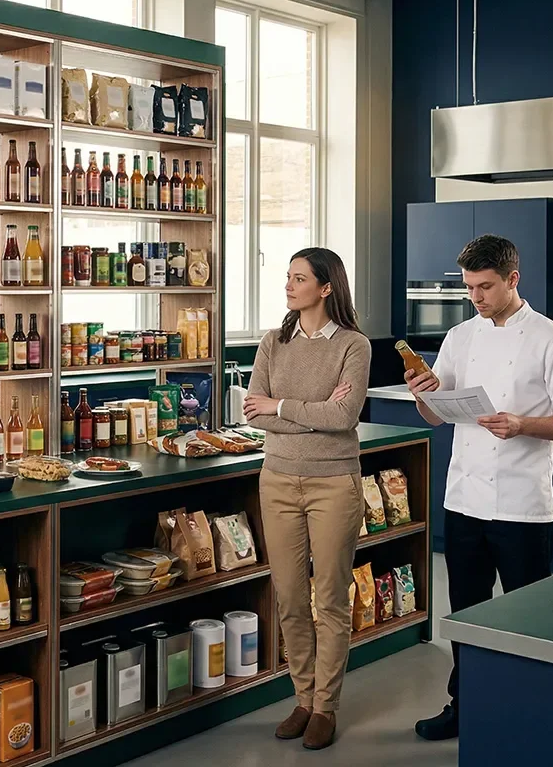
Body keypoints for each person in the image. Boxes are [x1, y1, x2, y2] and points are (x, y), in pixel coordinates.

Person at [407, 235, 553, 741]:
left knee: (525, 617)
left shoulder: (547, 336)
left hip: (522, 505)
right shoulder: (460, 336)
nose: (476, 297)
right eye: (470, 287)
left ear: (514, 279)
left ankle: (530, 713)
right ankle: (464, 705)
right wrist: (422, 395)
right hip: (464, 499)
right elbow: (438, 416)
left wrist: (521, 425)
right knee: (466, 613)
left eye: (486, 287)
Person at [243, 247, 370, 751]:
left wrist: (283, 406)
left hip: (334, 483)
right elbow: (255, 410)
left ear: (326, 288)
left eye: (299, 279)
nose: (289, 286)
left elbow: (344, 419)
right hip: (276, 480)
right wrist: (307, 410)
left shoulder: (354, 346)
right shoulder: (274, 342)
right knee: (290, 596)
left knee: (330, 600)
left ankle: (326, 707)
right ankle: (302, 696)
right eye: (287, 278)